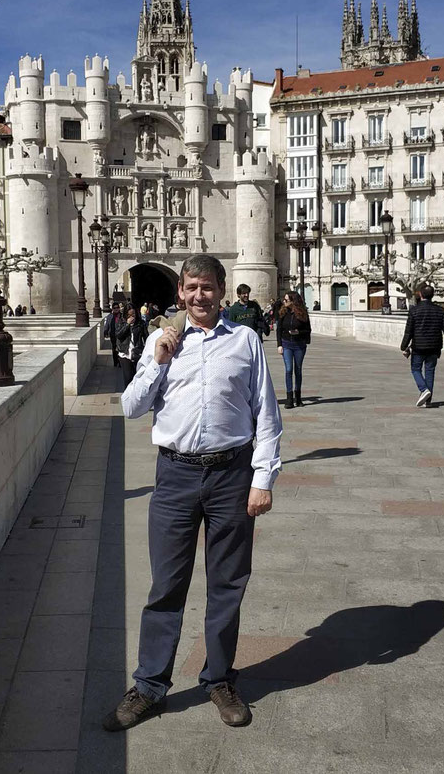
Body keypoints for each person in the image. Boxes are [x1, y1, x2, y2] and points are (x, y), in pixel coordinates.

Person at [103, 254, 282, 732]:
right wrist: (157, 362)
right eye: (191, 288)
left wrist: (262, 479)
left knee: (228, 584)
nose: (199, 296)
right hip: (175, 476)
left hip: (231, 476)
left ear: (222, 291)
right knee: (166, 585)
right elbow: (131, 408)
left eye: (207, 287)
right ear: (179, 293)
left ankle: (219, 679)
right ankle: (149, 686)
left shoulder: (245, 341)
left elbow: (265, 414)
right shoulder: (161, 342)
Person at [400, 285, 444, 407]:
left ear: (420, 294)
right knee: (430, 371)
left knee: (415, 369)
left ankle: (424, 390)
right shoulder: (440, 310)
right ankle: (428, 401)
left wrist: (404, 346)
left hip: (418, 346)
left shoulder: (414, 310)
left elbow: (408, 331)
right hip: (434, 346)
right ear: (432, 295)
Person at [276, 291, 312, 408]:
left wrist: (299, 332)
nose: (284, 302)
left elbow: (308, 330)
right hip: (286, 344)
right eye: (284, 300)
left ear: (293, 301)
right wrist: (279, 345)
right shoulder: (282, 313)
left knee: (298, 370)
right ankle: (289, 398)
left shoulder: (302, 313)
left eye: (286, 300)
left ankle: (298, 398)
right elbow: (279, 330)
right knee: (288, 370)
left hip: (299, 345)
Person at [115, 305, 147, 387]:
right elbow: (118, 335)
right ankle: (128, 397)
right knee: (128, 378)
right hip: (125, 353)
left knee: (137, 377)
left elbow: (146, 337)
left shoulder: (141, 323)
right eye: (129, 315)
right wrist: (127, 324)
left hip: (137, 352)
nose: (132, 317)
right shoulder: (121, 322)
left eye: (133, 315)